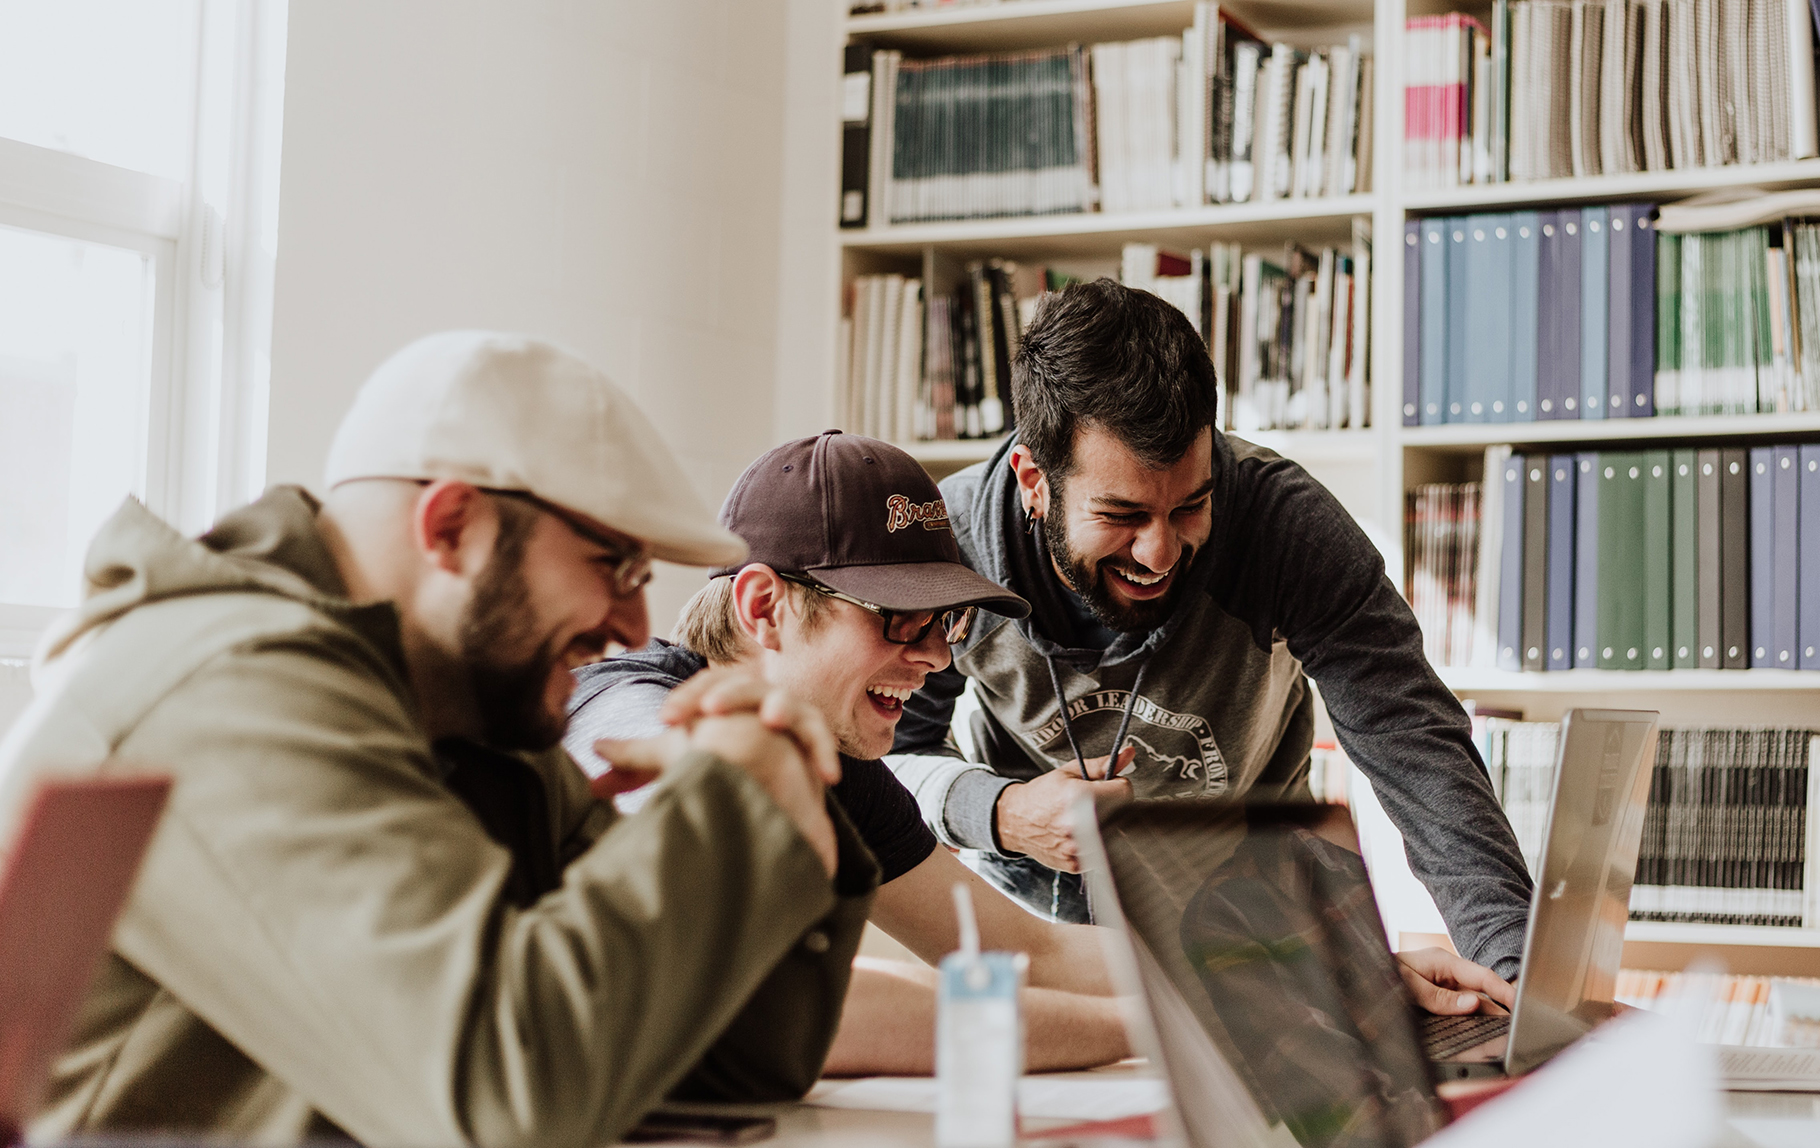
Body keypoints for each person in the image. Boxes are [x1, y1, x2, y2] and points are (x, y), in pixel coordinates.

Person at [0, 332, 872, 1147]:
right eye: (614, 565)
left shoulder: (466, 711)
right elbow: (503, 1101)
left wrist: (786, 802)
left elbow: (724, 1067)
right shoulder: (230, 691)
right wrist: (732, 802)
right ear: (451, 526)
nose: (634, 624)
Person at [569, 431, 1514, 1076]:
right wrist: (1217, 1022)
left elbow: (1020, 951)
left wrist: (1322, 976)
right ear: (765, 607)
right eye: (900, 620)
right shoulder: (630, 719)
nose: (938, 656)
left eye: (946, 624)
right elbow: (785, 1006)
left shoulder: (834, 762)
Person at [888, 279, 1537, 980]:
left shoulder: (1288, 528)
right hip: (1030, 938)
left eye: (1190, 506)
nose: (1159, 553)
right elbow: (885, 761)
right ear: (1033, 481)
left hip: (1255, 925)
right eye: (1122, 516)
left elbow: (1418, 752)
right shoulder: (950, 550)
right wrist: (1003, 813)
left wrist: (1515, 977)